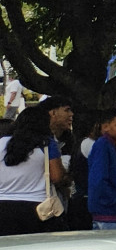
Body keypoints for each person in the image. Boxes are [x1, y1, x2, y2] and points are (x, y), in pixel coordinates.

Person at [0, 100, 69, 235]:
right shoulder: (46, 144)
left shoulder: (2, 142)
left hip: (2, 206)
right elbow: (56, 176)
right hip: (37, 207)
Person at [86, 110, 116, 229]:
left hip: (112, 215)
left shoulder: (112, 145)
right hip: (110, 216)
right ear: (105, 127)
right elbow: (99, 181)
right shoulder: (102, 145)